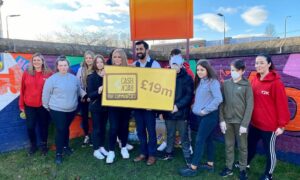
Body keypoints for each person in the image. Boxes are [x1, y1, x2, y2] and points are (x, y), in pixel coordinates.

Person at [247, 54, 290, 180]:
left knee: (269, 152)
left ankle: (268, 175)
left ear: (269, 64)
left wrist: (282, 125)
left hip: (269, 127)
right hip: (254, 123)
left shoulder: (276, 83)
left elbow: (282, 105)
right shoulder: (254, 79)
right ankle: (246, 164)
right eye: (256, 63)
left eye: (261, 63)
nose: (258, 65)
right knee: (250, 146)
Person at [179, 60, 223, 177]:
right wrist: (195, 106)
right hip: (200, 116)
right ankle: (210, 165)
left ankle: (193, 168)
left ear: (207, 70)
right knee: (208, 140)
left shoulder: (213, 82)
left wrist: (205, 110)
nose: (199, 72)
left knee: (199, 140)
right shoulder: (200, 82)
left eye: (202, 70)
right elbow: (202, 97)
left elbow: (218, 99)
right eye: (198, 70)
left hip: (209, 116)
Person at [42, 56, 85, 164]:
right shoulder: (52, 79)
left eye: (65, 65)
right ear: (57, 66)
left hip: (71, 109)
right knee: (61, 129)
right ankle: (59, 153)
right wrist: (47, 106)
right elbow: (45, 94)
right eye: (60, 65)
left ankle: (66, 147)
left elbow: (79, 90)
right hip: (56, 109)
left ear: (68, 66)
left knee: (65, 128)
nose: (63, 67)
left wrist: (86, 96)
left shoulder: (73, 78)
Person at [219, 59, 253, 180]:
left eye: (235, 70)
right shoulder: (226, 84)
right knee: (229, 145)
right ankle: (229, 167)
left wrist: (245, 124)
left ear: (242, 71)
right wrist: (221, 120)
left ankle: (243, 169)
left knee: (243, 146)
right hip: (228, 121)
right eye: (231, 70)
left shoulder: (247, 85)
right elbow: (221, 103)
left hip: (241, 122)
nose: (232, 72)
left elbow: (250, 105)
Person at [160, 54, 194, 165]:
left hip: (182, 113)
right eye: (173, 64)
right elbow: (160, 93)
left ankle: (187, 155)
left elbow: (189, 96)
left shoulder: (187, 78)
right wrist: (161, 111)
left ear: (181, 65)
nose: (175, 66)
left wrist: (177, 106)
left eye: (177, 64)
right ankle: (169, 153)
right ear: (170, 64)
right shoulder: (165, 76)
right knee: (170, 134)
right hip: (168, 112)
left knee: (184, 135)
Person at [132, 40, 161, 166]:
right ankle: (143, 153)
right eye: (137, 49)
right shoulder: (133, 65)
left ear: (147, 50)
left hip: (149, 106)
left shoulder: (155, 65)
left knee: (151, 131)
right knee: (140, 131)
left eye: (141, 49)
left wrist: (154, 104)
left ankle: (152, 154)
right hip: (138, 105)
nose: (139, 51)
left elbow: (160, 85)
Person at [19, 53, 52, 156]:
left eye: (38, 60)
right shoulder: (26, 73)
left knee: (43, 126)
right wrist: (21, 105)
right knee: (30, 127)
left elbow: (52, 90)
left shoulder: (49, 74)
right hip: (29, 105)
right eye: (34, 60)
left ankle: (44, 146)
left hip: (43, 106)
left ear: (42, 61)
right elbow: (22, 89)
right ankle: (33, 146)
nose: (36, 62)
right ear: (32, 62)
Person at [106, 49, 132, 164]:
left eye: (119, 57)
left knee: (124, 127)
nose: (116, 59)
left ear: (123, 58)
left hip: (126, 104)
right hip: (113, 104)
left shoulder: (130, 69)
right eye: (114, 57)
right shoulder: (108, 70)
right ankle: (111, 151)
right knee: (113, 127)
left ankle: (124, 147)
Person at [87, 54, 109, 160]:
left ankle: (101, 146)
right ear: (95, 64)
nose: (100, 64)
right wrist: (99, 91)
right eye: (97, 62)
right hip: (96, 107)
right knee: (96, 129)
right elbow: (90, 95)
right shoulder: (91, 77)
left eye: (101, 62)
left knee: (103, 128)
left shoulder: (107, 75)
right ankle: (96, 150)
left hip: (105, 107)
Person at [76, 50, 94, 147]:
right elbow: (77, 85)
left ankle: (94, 136)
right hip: (83, 98)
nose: (88, 60)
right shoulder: (80, 70)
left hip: (94, 98)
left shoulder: (96, 69)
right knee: (85, 118)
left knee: (95, 118)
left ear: (93, 58)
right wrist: (84, 95)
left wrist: (90, 96)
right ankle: (86, 136)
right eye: (86, 58)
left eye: (90, 58)